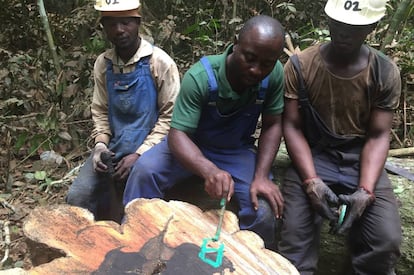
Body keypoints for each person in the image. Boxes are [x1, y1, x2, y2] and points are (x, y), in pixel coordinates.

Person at [123, 15, 285, 249]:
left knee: (263, 210)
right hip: (191, 144)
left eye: (266, 64)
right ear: (235, 44)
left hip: (234, 150)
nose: (256, 69)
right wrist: (209, 171)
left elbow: (272, 124)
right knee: (144, 172)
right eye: (249, 58)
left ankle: (248, 261)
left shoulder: (275, 74)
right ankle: (134, 245)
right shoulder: (201, 77)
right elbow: (177, 134)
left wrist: (261, 176)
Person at [278, 0, 402, 274]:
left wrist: (366, 191)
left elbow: (379, 135)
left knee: (385, 241)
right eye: (338, 24)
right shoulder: (301, 66)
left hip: (360, 157)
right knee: (294, 244)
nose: (343, 33)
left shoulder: (384, 72)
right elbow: (293, 126)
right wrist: (311, 181)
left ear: (371, 27)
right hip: (315, 153)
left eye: (353, 27)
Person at [66, 0, 180, 223]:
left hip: (152, 149)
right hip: (114, 148)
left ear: (137, 23)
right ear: (104, 27)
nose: (119, 30)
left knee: (136, 214)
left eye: (125, 23)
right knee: (77, 197)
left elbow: (171, 117)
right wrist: (100, 144)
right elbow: (100, 110)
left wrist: (140, 154)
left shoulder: (159, 63)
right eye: (112, 24)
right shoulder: (103, 64)